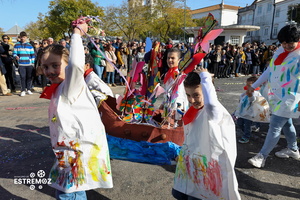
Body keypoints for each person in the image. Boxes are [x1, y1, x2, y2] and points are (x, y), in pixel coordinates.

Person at [39, 21, 113, 199]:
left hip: (77, 157)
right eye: (45, 66)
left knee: (69, 194)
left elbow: (76, 65)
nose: (50, 71)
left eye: (55, 65)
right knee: (67, 192)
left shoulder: (71, 85)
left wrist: (77, 34)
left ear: (67, 65)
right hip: (66, 156)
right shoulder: (58, 88)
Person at [172, 67, 240, 200]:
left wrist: (205, 77)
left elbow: (211, 104)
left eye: (196, 95)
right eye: (188, 95)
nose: (191, 100)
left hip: (208, 173)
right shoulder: (193, 111)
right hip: (192, 166)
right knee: (179, 193)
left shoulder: (214, 113)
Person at [248, 24, 300, 168]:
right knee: (287, 123)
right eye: (284, 43)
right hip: (276, 95)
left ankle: (261, 156)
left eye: (290, 43)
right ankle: (293, 149)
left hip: (291, 97)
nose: (287, 46)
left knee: (275, 126)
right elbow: (270, 70)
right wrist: (254, 85)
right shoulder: (279, 51)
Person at [235, 76, 265, 144]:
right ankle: (247, 132)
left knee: (247, 125)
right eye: (247, 85)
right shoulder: (245, 93)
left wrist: (250, 95)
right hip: (242, 113)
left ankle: (246, 136)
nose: (247, 86)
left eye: (249, 85)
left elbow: (253, 100)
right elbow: (241, 101)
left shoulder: (257, 93)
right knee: (239, 123)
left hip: (249, 114)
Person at [13, 31, 35, 96]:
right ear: (20, 37)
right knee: (22, 77)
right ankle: (23, 90)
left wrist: (32, 63)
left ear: (26, 37)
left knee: (29, 77)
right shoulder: (17, 45)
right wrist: (16, 56)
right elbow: (14, 53)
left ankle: (28, 89)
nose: (22, 38)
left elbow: (33, 54)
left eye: (24, 37)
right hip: (21, 64)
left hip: (29, 64)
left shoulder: (30, 45)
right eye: (21, 37)